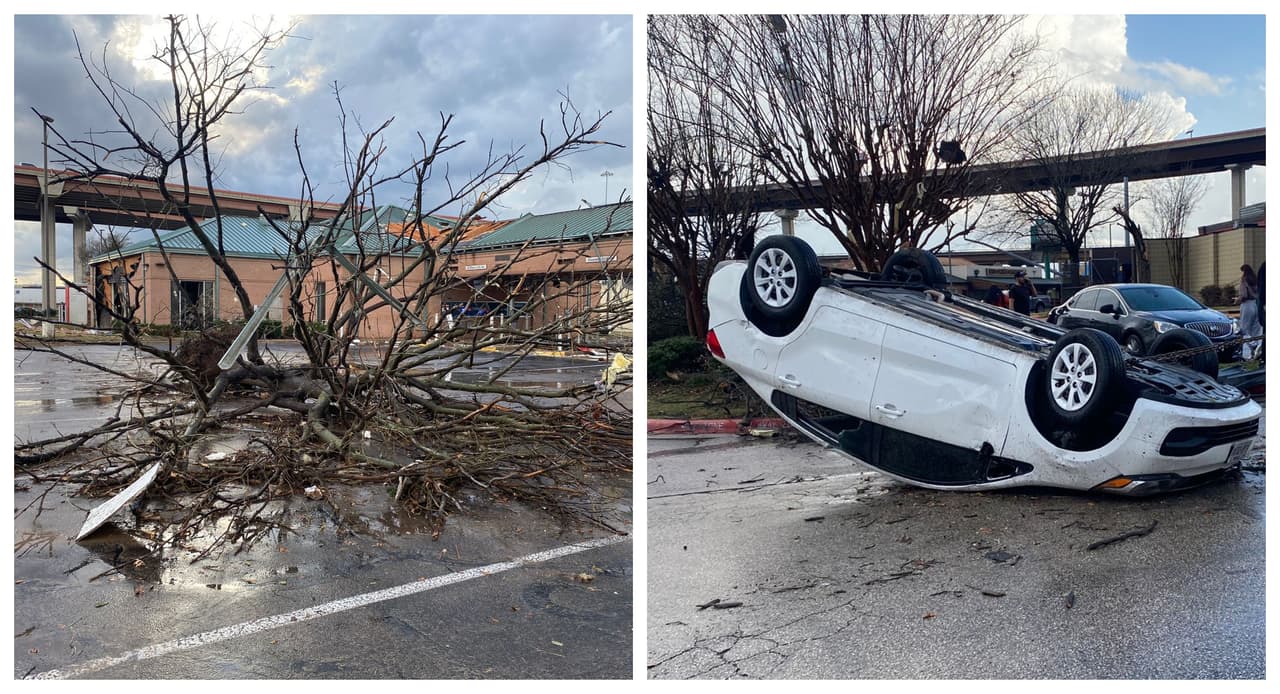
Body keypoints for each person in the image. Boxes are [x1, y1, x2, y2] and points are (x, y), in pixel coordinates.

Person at [1239, 264, 1262, 360]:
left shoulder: (1244, 280)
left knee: (1244, 329)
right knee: (1256, 329)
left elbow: (1244, 295)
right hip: (1256, 304)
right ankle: (1258, 349)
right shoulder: (1255, 280)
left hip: (1247, 305)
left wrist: (1238, 299)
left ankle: (1250, 349)